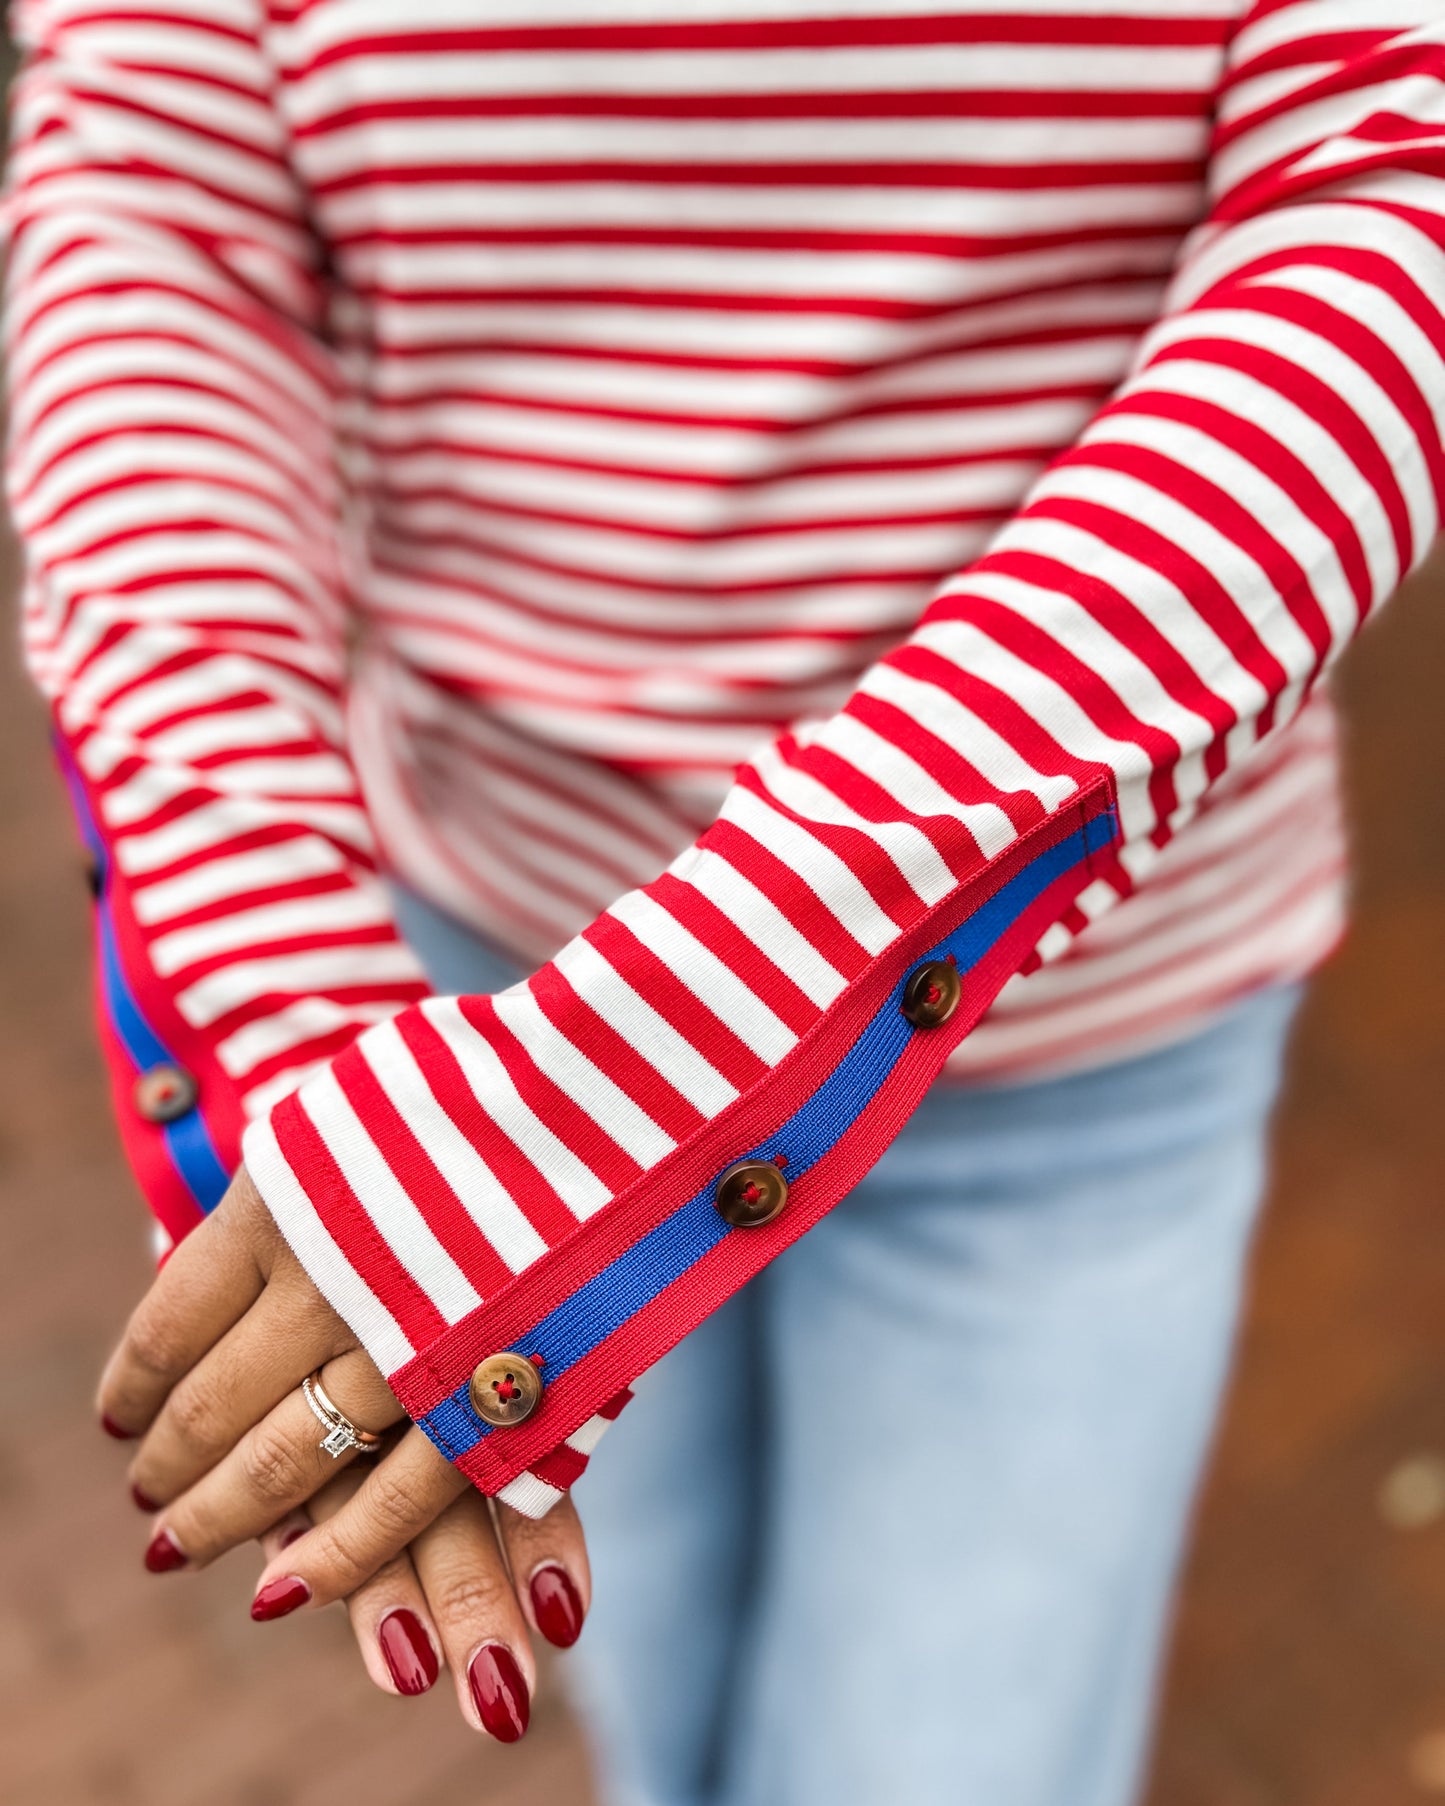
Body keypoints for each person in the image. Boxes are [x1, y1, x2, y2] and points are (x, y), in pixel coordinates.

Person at [5, 3, 1442, 1802]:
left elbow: (1389, 191)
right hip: (463, 1006)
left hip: (1070, 1063)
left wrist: (660, 1040)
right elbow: (154, 196)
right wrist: (283, 1025)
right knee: (660, 1718)